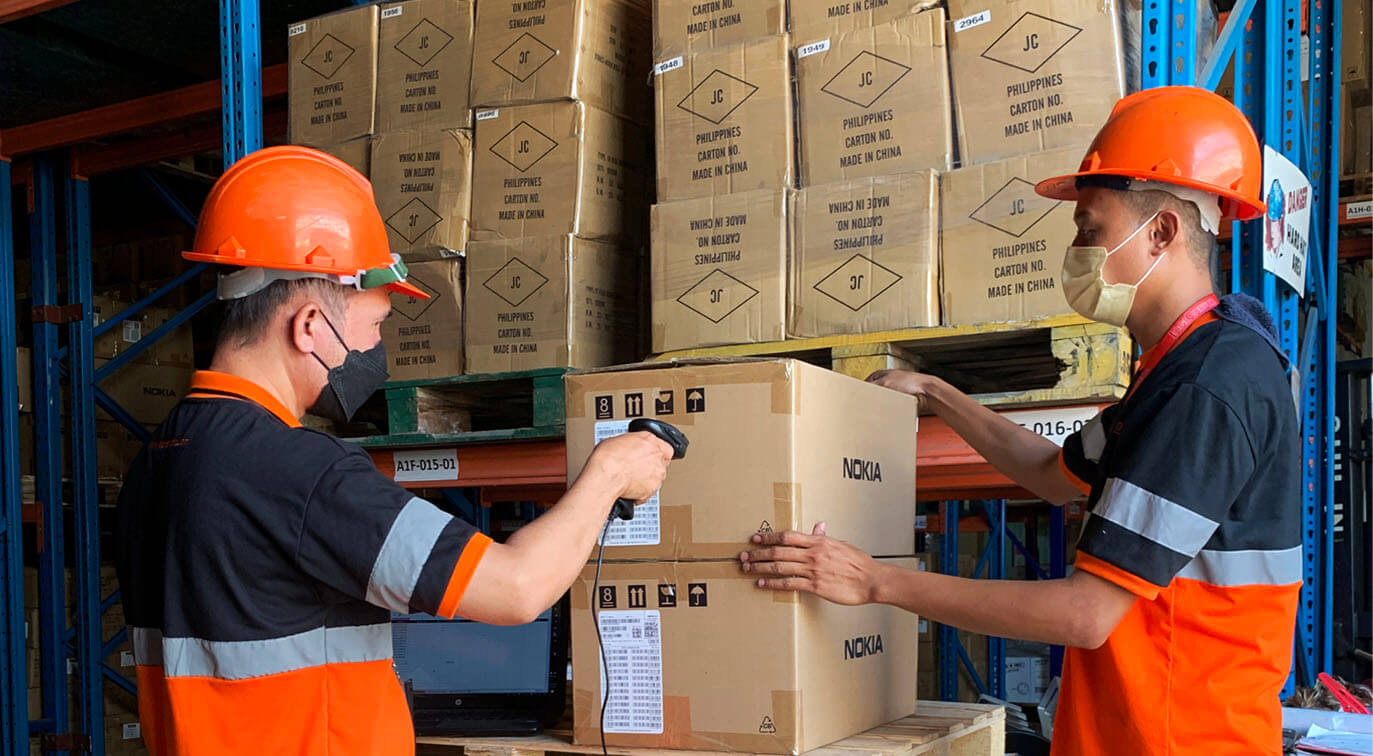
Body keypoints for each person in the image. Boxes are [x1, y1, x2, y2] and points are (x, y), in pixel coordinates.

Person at [740, 86, 1300, 754]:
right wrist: (937, 392)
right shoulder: (1173, 372)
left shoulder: (1208, 384)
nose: (1076, 247)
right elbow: (1051, 473)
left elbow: (1084, 614)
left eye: (1089, 228)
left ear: (1161, 232)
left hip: (1181, 741)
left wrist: (874, 580)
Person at [115, 146, 675, 755]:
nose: (379, 351)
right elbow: (518, 589)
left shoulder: (160, 458)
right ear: (308, 326)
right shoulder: (302, 474)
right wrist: (611, 470)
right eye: (375, 325)